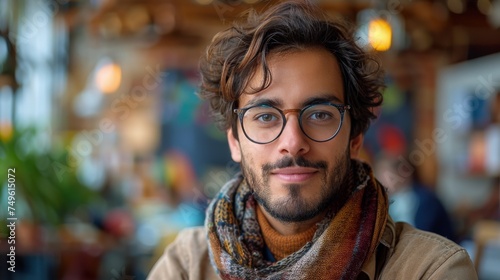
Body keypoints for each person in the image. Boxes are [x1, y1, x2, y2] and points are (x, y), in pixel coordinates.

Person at [148, 1, 477, 279]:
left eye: (320, 114)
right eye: (265, 116)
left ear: (355, 137)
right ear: (235, 141)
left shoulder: (431, 269)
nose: (293, 142)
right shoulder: (185, 265)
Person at [374, 153, 457, 242]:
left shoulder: (425, 200)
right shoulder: (387, 202)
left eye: (384, 174)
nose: (380, 180)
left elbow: (423, 236)